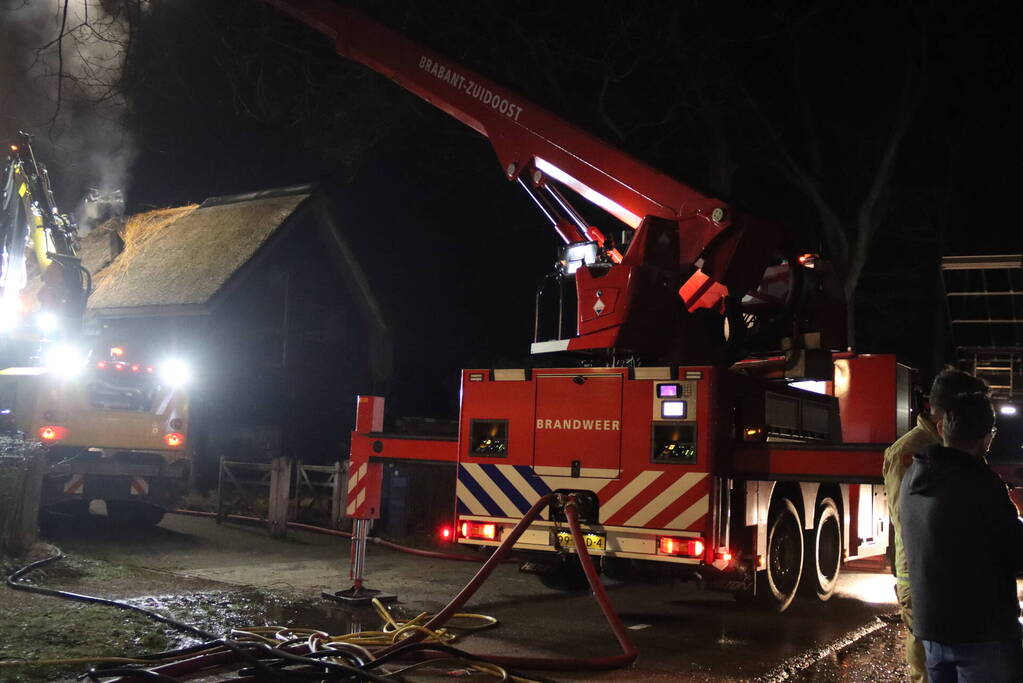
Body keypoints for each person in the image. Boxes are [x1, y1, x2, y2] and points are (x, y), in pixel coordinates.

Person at [900, 391, 1023, 682]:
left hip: (932, 630)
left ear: (942, 429)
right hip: (982, 634)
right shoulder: (982, 485)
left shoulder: (913, 478)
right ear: (987, 437)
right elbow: (1017, 553)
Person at [882, 369, 988, 683]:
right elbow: (910, 523)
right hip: (922, 579)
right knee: (929, 671)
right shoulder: (908, 452)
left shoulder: (956, 446)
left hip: (951, 578)